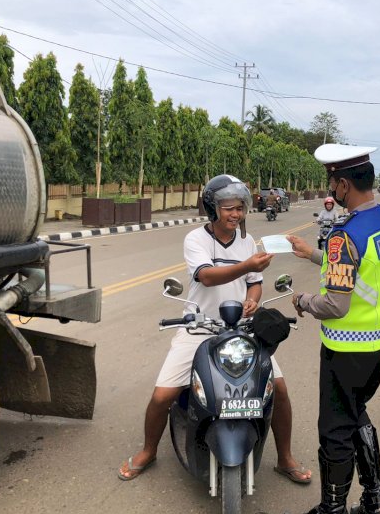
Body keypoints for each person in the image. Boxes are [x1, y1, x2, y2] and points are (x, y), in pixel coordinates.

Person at [119, 174, 312, 485]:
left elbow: (255, 285)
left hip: (242, 330)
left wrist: (252, 299)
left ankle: (285, 458)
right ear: (212, 209)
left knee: (279, 390)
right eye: (228, 208)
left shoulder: (247, 241)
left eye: (240, 208)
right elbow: (206, 277)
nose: (235, 214)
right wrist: (248, 265)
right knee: (162, 395)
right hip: (200, 327)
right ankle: (148, 450)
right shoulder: (196, 239)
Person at [283, 144, 380, 514]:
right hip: (379, 345)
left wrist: (302, 300)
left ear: (344, 184)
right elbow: (362, 273)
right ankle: (374, 498)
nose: (330, 188)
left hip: (346, 348)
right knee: (356, 414)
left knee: (335, 428)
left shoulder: (343, 236)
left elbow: (336, 305)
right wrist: (312, 256)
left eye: (332, 181)